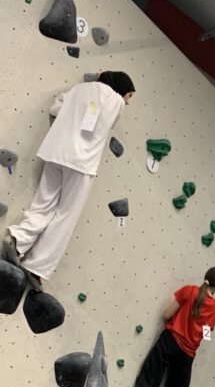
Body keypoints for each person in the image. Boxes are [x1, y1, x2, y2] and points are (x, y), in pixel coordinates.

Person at [2, 71, 135, 287]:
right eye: (129, 96)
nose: (128, 103)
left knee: (44, 202)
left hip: (56, 151)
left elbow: (56, 107)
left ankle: (18, 240)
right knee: (66, 215)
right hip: (82, 162)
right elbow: (112, 119)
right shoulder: (116, 101)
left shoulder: (77, 90)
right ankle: (36, 267)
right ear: (121, 89)